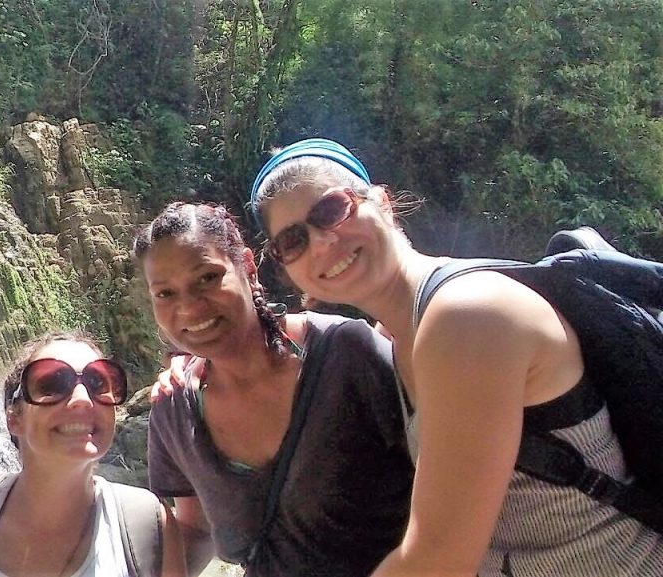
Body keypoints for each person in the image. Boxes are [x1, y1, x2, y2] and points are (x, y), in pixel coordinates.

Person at [248, 137, 663, 576]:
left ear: (383, 204)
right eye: (292, 241)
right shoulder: (397, 335)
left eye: (332, 210)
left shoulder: (465, 317)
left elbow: (438, 560)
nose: (320, 242)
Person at [133, 203, 414, 576]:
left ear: (248, 267)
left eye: (207, 277)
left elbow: (444, 479)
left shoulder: (346, 355)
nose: (189, 308)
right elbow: (195, 526)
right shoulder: (175, 410)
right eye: (165, 294)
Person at [0, 331, 186, 577]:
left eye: (98, 382)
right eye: (52, 384)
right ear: (13, 416)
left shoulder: (149, 525)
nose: (82, 398)